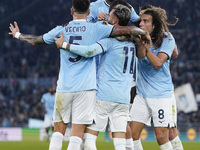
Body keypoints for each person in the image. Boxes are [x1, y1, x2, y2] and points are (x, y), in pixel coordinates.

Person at [9, 0, 150, 150]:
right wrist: (142, 32)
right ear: (89, 12)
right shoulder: (97, 28)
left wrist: (17, 34)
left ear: (71, 11)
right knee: (76, 136)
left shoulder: (61, 29)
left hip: (65, 86)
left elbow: (35, 40)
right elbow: (125, 30)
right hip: (87, 88)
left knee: (58, 133)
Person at [54, 2, 148, 150]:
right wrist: (142, 37)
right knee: (119, 141)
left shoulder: (109, 41)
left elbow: (89, 51)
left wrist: (65, 45)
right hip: (123, 97)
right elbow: (142, 56)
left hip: (104, 95)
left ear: (115, 21)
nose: (107, 15)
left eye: (110, 14)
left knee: (89, 139)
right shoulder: (132, 42)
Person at [133, 4, 184, 150]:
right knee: (132, 134)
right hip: (142, 94)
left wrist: (146, 46)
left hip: (161, 95)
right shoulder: (138, 37)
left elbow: (157, 63)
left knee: (164, 136)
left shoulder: (167, 38)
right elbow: (141, 56)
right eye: (140, 20)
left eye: (145, 20)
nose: (140, 23)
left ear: (154, 25)